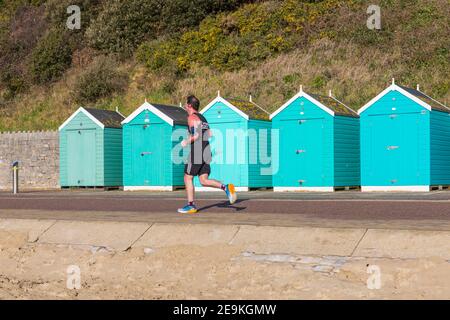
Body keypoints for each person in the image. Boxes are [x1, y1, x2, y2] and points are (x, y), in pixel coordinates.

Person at [178, 95, 237, 214]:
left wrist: (186, 141)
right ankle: (226, 187)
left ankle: (191, 205)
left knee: (187, 177)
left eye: (186, 103)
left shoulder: (191, 117)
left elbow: (197, 135)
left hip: (198, 150)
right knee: (203, 180)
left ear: (189, 105)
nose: (185, 105)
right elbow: (209, 134)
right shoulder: (203, 118)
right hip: (206, 150)